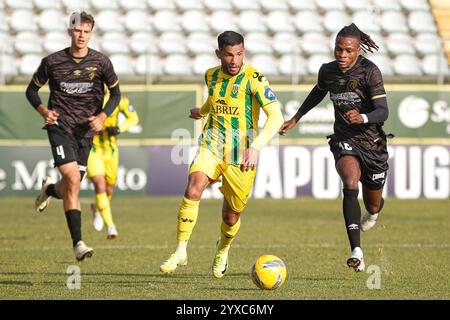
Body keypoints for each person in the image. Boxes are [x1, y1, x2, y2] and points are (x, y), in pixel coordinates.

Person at [160, 31, 284, 278]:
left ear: (244, 52)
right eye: (229, 55)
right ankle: (181, 250)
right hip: (212, 144)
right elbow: (215, 99)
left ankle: (223, 249)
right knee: (193, 187)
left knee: (231, 215)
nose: (235, 60)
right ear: (219, 54)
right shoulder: (211, 75)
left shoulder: (254, 79)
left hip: (241, 154)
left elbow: (276, 117)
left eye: (239, 54)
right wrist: (202, 111)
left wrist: (256, 146)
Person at [279, 23, 389, 272]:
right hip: (344, 138)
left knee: (372, 204)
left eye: (348, 50)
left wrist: (363, 117)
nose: (342, 55)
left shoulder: (370, 72)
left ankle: (373, 212)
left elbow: (384, 111)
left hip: (373, 143)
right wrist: (296, 118)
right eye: (338, 50)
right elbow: (318, 92)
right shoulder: (327, 71)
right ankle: (357, 252)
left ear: (357, 50)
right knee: (349, 181)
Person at [25, 11, 121, 261]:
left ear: (91, 33)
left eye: (86, 31)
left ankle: (48, 190)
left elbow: (116, 94)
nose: (81, 35)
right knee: (72, 179)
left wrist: (102, 116)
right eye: (77, 30)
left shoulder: (101, 62)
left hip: (85, 133)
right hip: (60, 128)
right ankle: (78, 242)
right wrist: (44, 111)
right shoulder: (52, 62)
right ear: (70, 31)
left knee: (70, 184)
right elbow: (32, 90)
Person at [87, 91, 139, 239]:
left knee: (109, 188)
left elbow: (134, 118)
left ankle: (98, 209)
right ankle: (111, 226)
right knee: (99, 183)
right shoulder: (88, 97)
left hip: (110, 151)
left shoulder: (118, 99)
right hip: (93, 149)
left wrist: (119, 129)